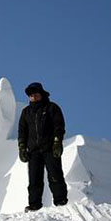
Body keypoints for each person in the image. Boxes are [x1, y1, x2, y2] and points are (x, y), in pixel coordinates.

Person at [18, 82, 68, 212]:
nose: (33, 97)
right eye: (31, 96)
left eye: (35, 94)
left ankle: (60, 200)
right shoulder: (26, 112)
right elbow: (22, 132)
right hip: (33, 151)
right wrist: (22, 147)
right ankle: (34, 205)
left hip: (50, 148)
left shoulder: (52, 108)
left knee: (55, 175)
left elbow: (59, 126)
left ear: (41, 94)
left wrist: (57, 142)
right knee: (34, 179)